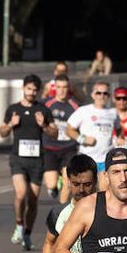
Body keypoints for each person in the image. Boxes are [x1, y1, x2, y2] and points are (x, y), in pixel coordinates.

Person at [1, 74, 56, 249]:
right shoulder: (13, 109)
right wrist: (10, 124)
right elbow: (2, 132)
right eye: (28, 89)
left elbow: (54, 133)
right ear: (23, 88)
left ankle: (27, 234)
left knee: (32, 201)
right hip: (18, 159)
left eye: (34, 90)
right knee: (20, 194)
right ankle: (19, 225)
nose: (31, 92)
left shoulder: (43, 110)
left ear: (38, 91)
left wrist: (44, 125)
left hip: (36, 161)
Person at [66, 80, 123, 192]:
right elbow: (69, 129)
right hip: (87, 159)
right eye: (98, 93)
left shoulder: (113, 113)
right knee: (85, 192)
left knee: (104, 191)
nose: (101, 96)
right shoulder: (84, 110)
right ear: (93, 95)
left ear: (109, 96)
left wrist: (119, 139)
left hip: (105, 159)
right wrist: (82, 139)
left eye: (105, 93)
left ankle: (100, 210)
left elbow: (119, 129)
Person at [42, 75, 80, 204]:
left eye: (65, 87)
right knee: (51, 185)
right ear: (55, 88)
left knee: (67, 182)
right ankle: (55, 181)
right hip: (49, 148)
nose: (62, 90)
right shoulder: (47, 104)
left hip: (68, 148)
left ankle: (61, 211)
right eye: (59, 87)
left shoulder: (75, 106)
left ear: (69, 88)